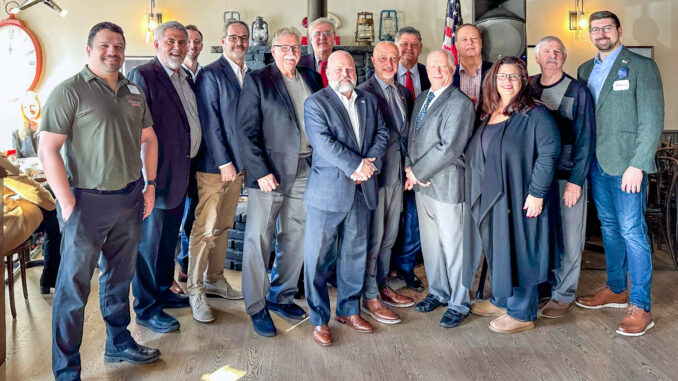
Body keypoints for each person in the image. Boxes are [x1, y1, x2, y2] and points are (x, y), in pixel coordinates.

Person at [38, 22, 160, 380]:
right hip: (86, 203)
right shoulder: (69, 91)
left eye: (119, 46)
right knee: (73, 290)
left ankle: (118, 341)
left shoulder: (133, 90)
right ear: (88, 49)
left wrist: (149, 185)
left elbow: (149, 139)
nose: (113, 52)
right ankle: (66, 370)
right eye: (105, 45)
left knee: (119, 279)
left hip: (129, 199)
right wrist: (67, 205)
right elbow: (48, 150)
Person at [575, 10, 664, 336]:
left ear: (618, 30)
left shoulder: (642, 67)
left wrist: (638, 164)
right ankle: (616, 288)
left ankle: (641, 306)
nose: (600, 34)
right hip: (597, 166)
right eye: (595, 29)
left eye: (606, 28)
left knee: (632, 232)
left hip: (628, 168)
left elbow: (652, 119)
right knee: (610, 228)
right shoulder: (585, 69)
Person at [463, 56, 561, 334]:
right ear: (493, 80)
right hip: (493, 198)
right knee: (499, 250)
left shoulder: (535, 113)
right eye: (502, 76)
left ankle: (522, 313)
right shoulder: (491, 111)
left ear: (524, 81)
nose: (507, 81)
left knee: (522, 251)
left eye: (514, 76)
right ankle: (503, 299)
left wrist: (537, 192)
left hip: (520, 196)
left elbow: (549, 153)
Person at [236, 26, 323, 337]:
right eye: (284, 47)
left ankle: (281, 296)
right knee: (259, 238)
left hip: (305, 169)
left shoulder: (311, 78)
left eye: (296, 47)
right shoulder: (258, 80)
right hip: (269, 174)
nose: (291, 52)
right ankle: (257, 305)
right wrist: (260, 172)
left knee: (295, 236)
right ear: (272, 51)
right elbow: (245, 131)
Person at [303, 50, 389, 346]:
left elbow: (382, 133)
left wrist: (369, 163)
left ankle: (349, 311)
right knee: (317, 259)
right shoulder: (316, 103)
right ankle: (318, 320)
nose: (345, 74)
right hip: (327, 193)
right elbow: (323, 143)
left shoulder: (368, 100)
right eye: (339, 69)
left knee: (354, 253)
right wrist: (357, 165)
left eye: (350, 69)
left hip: (361, 189)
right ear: (328, 72)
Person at [127, 21, 200, 333]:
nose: (177, 47)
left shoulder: (185, 77)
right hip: (155, 178)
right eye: (170, 41)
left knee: (166, 242)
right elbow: (136, 133)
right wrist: (147, 182)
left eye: (182, 42)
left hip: (180, 175)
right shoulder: (143, 76)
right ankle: (146, 307)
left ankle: (162, 292)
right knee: (148, 245)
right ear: (156, 45)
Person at [406, 49, 475, 328]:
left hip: (447, 185)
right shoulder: (422, 97)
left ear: (452, 68)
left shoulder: (460, 103)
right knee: (432, 245)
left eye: (442, 66)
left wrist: (416, 171)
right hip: (422, 187)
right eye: (432, 66)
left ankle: (459, 302)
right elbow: (412, 138)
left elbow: (448, 149)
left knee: (454, 246)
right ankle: (438, 291)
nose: (436, 70)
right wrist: (410, 169)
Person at [186, 20, 249, 323]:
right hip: (215, 167)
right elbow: (210, 122)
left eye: (243, 38)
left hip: (238, 169)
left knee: (224, 226)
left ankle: (215, 279)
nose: (239, 42)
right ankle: (195, 290)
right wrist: (225, 162)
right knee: (204, 229)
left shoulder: (247, 74)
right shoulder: (211, 74)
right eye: (233, 38)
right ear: (223, 41)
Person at [530, 35, 595, 318]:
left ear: (564, 58)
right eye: (546, 51)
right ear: (536, 57)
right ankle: (544, 287)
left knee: (570, 238)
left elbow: (586, 140)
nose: (552, 55)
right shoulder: (528, 86)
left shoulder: (577, 90)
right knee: (543, 236)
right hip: (536, 178)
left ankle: (564, 294)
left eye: (557, 51)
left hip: (567, 177)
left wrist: (576, 182)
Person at [356, 41, 415, 325]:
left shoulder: (403, 92)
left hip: (398, 175)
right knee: (374, 238)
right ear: (374, 61)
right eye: (383, 58)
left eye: (394, 58)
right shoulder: (363, 93)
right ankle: (369, 295)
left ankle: (382, 285)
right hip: (376, 178)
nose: (389, 63)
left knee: (390, 236)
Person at [390, 26, 431, 291]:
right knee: (392, 216)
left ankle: (406, 268)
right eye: (404, 44)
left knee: (415, 218)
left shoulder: (431, 74)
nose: (409, 49)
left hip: (423, 160)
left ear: (420, 47)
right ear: (395, 46)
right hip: (391, 160)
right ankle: (386, 266)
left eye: (414, 45)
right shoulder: (384, 73)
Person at [176, 24, 205, 288]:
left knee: (195, 214)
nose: (192, 46)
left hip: (201, 158)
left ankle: (189, 265)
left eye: (197, 42)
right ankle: (181, 266)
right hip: (177, 160)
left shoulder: (205, 76)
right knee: (181, 214)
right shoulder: (175, 76)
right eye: (189, 41)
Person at [452, 24, 493, 109]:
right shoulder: (449, 74)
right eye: (464, 39)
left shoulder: (495, 71)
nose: (470, 42)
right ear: (456, 45)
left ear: (481, 43)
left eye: (474, 38)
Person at [298, 17, 335, 87]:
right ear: (311, 39)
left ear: (334, 38)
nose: (322, 37)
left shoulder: (345, 62)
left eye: (327, 33)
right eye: (317, 34)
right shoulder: (299, 64)